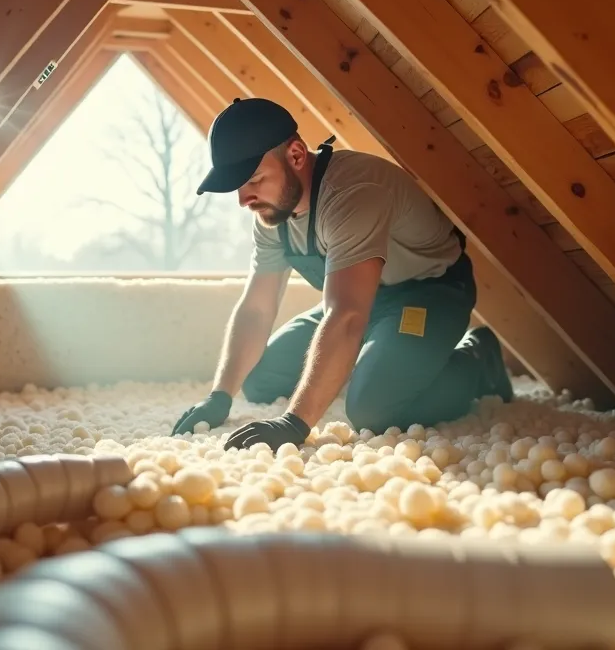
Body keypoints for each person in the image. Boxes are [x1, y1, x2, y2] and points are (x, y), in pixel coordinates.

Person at [170, 98, 512, 451]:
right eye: (238, 187)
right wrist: (220, 395)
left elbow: (347, 316)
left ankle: (478, 360)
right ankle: (373, 359)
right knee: (258, 379)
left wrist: (295, 421)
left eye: (254, 179)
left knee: (372, 408)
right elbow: (257, 308)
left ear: (297, 155)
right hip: (363, 298)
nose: (244, 199)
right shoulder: (273, 212)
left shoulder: (353, 193)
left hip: (427, 295)